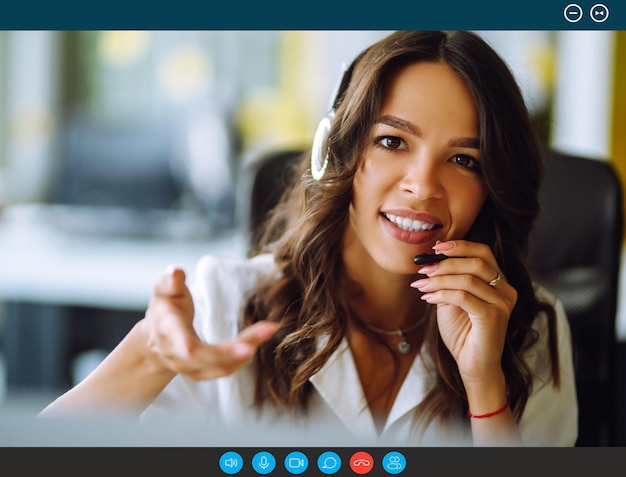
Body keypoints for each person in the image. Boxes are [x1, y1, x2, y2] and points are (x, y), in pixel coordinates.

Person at [40, 30, 578, 447]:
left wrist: (486, 386)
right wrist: (151, 355)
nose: (422, 186)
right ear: (334, 153)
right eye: (392, 141)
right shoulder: (226, 303)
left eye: (465, 160)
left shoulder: (529, 329)